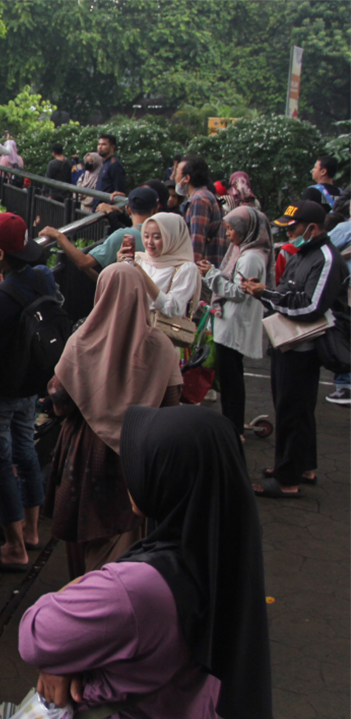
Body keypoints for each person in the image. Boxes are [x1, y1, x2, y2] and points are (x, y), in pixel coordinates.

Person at [23, 405, 273, 719]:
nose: (131, 474)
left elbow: (37, 633)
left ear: (170, 478)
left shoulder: (139, 587)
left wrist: (61, 658)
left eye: (142, 464)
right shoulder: (218, 550)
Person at [45, 263, 183, 579]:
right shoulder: (161, 345)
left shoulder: (81, 341)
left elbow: (60, 397)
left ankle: (84, 599)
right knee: (129, 533)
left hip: (84, 452)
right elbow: (171, 403)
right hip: (137, 454)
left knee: (83, 532)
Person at [242, 200, 350, 497]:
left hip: (305, 346)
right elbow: (288, 291)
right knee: (295, 409)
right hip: (288, 343)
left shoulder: (326, 258)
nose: (288, 234)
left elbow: (312, 307)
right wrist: (264, 293)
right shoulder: (303, 253)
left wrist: (268, 295)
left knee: (292, 410)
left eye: (292, 229)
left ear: (312, 228)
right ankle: (302, 466)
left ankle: (287, 480)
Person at [0, 212, 52, 570]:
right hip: (30, 387)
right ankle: (31, 531)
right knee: (26, 453)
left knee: (0, 464)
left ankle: (16, 547)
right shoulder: (44, 278)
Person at [198, 206, 272, 439]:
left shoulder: (250, 257)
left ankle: (233, 427)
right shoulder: (243, 250)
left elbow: (237, 292)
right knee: (230, 378)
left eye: (231, 229)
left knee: (231, 380)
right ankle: (232, 425)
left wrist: (211, 274)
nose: (227, 234)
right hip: (230, 324)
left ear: (246, 230)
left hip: (234, 326)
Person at [43, 185, 157, 281]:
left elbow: (84, 262)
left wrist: (59, 235)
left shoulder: (125, 236)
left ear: (128, 209)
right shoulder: (162, 234)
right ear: (155, 210)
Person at [120, 212, 200, 323]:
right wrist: (120, 265)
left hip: (157, 331)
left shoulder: (186, 268)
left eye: (157, 237)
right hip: (130, 323)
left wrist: (141, 274)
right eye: (146, 236)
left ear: (172, 237)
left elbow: (172, 309)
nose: (149, 242)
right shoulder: (138, 258)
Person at [174, 155, 227, 265]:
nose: (174, 177)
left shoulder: (199, 200)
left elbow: (196, 243)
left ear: (187, 178)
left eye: (177, 173)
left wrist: (191, 271)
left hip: (203, 270)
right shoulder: (206, 196)